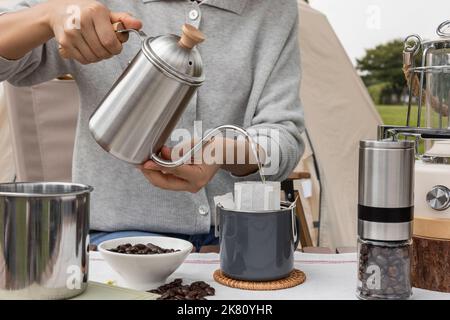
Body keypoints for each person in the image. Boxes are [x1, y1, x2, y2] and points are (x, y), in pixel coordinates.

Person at [0, 0, 304, 250]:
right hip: (119, 240)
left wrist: (226, 154)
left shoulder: (274, 10)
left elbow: (284, 141)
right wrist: (49, 15)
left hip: (239, 239)